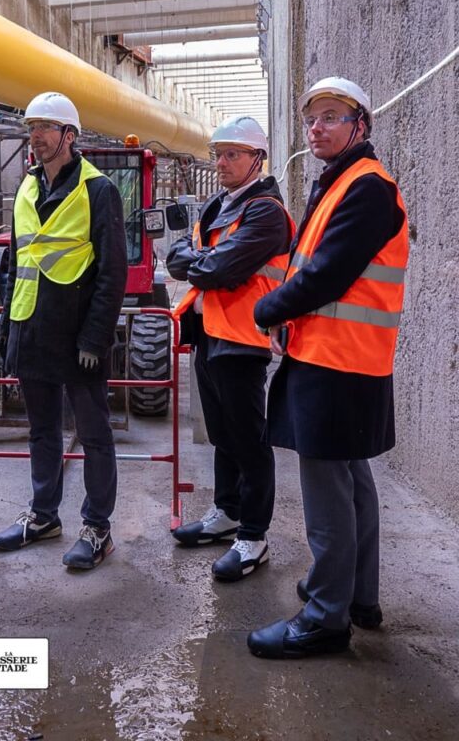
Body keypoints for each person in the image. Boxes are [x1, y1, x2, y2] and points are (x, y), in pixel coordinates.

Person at [247, 77, 409, 658]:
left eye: (332, 116)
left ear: (360, 125)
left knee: (327, 494)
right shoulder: (343, 182)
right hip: (342, 358)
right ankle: (356, 596)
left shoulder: (365, 188)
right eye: (312, 118)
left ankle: (324, 618)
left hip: (336, 361)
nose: (317, 127)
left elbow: (328, 273)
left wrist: (267, 309)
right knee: (350, 480)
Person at [0, 92, 127, 570]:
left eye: (46, 128)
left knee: (94, 435)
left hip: (76, 338)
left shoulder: (99, 190)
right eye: (32, 128)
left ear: (69, 135)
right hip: (31, 330)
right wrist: (8, 331)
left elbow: (113, 272)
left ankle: (97, 527)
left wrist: (95, 337)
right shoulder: (26, 189)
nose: (36, 137)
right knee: (42, 432)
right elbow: (16, 266)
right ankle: (44, 516)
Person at [167, 116, 294, 581]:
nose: (222, 162)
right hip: (209, 334)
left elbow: (218, 268)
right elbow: (176, 257)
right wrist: (203, 261)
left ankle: (253, 536)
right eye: (218, 154)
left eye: (232, 154)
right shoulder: (217, 205)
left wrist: (201, 262)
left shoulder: (266, 212)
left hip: (242, 338)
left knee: (248, 438)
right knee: (222, 433)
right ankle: (227, 512)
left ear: (257, 159)